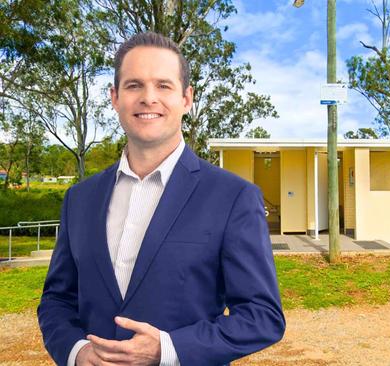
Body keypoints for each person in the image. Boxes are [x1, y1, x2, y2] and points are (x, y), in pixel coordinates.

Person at [37, 32, 285, 366]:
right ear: (115, 97)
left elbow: (262, 317)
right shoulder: (79, 199)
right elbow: (56, 298)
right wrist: (76, 351)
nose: (148, 98)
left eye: (163, 86)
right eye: (134, 85)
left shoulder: (234, 197)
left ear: (186, 99)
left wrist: (168, 349)